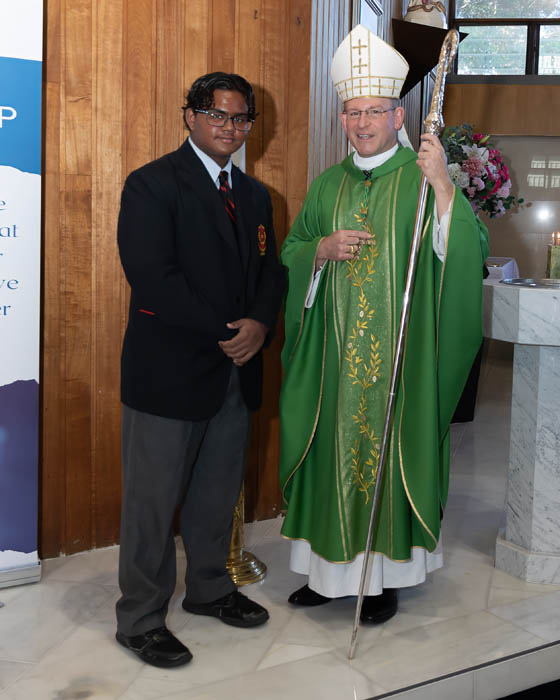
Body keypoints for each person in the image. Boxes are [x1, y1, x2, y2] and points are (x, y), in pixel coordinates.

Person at [279, 26, 489, 624]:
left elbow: (466, 251)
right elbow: (291, 252)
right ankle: (325, 574)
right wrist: (319, 250)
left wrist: (444, 185)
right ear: (342, 119)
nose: (363, 122)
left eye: (374, 111)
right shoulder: (327, 185)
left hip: (400, 364)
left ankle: (383, 579)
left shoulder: (423, 180)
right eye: (353, 112)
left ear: (399, 116)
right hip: (333, 365)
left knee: (388, 458)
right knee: (330, 454)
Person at [116, 71, 285, 668]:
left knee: (217, 492)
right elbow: (153, 278)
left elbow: (271, 273)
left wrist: (259, 325)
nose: (229, 128)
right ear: (190, 116)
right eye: (217, 115)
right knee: (152, 503)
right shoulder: (151, 184)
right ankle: (140, 619)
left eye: (241, 119)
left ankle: (210, 589)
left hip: (234, 374)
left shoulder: (256, 195)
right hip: (169, 372)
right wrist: (229, 333)